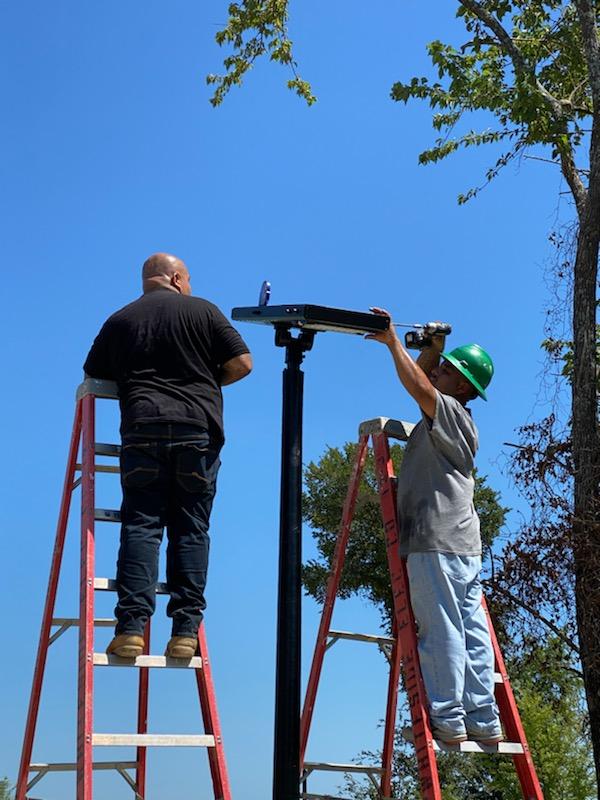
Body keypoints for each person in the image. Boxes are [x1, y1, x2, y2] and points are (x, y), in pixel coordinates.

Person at [84, 253, 252, 659]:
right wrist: (206, 381)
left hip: (142, 428)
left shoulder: (120, 320)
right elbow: (242, 364)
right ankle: (185, 632)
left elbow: (93, 373)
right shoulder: (203, 311)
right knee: (191, 528)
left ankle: (130, 629)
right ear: (177, 278)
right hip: (197, 431)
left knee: (141, 525)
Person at [367, 307, 502, 745]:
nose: (439, 372)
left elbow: (418, 386)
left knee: (443, 629)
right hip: (462, 542)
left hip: (436, 542)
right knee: (472, 631)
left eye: (447, 369)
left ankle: (448, 718)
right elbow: (421, 386)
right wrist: (431, 350)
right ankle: (483, 717)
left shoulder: (450, 413)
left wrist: (392, 342)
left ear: (463, 385)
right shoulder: (453, 418)